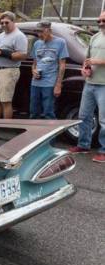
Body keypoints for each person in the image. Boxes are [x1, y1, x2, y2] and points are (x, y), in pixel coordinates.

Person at [69, 11, 105, 163]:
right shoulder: (95, 37)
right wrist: (84, 69)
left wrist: (96, 62)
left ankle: (103, 151)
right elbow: (87, 59)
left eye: (104, 20)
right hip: (90, 84)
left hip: (104, 85)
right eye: (99, 20)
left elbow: (94, 60)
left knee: (104, 121)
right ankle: (83, 145)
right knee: (84, 116)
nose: (101, 23)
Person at [0, 11, 28, 119]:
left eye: (7, 22)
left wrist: (3, 53)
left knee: (6, 102)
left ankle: (6, 128)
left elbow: (23, 55)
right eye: (2, 23)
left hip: (8, 71)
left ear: (13, 22)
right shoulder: (1, 35)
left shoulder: (19, 36)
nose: (4, 25)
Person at [30, 21, 69, 120]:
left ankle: (52, 136)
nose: (39, 35)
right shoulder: (37, 43)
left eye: (41, 32)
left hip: (50, 83)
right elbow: (34, 63)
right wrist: (33, 71)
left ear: (49, 30)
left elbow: (62, 64)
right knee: (33, 112)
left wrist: (58, 85)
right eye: (37, 32)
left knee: (48, 113)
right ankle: (34, 135)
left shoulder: (60, 42)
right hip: (35, 83)